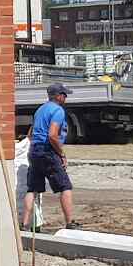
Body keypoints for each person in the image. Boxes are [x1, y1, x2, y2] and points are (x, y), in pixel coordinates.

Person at [23, 82, 81, 231]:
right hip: (47, 151)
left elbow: (30, 134)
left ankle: (24, 224)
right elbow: (52, 135)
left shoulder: (40, 109)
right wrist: (61, 154)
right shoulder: (58, 111)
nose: (66, 97)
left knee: (32, 189)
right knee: (65, 186)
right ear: (58, 96)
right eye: (64, 94)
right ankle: (70, 222)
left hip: (34, 150)